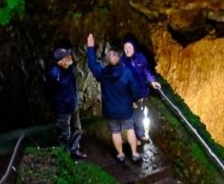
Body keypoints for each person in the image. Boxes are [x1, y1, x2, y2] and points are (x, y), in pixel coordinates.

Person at [86, 33, 140, 164]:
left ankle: (120, 155)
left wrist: (90, 48)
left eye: (109, 54)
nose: (108, 56)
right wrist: (134, 101)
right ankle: (134, 154)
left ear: (112, 57)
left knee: (115, 132)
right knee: (130, 129)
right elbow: (135, 90)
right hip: (126, 108)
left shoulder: (103, 73)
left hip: (110, 110)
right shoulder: (127, 72)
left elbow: (92, 65)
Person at [121, 37, 162, 145]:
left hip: (141, 92)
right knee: (131, 116)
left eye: (129, 47)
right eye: (125, 48)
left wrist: (152, 81)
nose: (127, 50)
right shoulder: (122, 62)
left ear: (134, 47)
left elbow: (146, 71)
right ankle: (135, 137)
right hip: (130, 94)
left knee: (139, 114)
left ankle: (141, 134)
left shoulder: (140, 58)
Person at [46, 47, 86, 160]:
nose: (70, 57)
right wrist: (56, 105)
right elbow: (49, 91)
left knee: (77, 129)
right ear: (60, 61)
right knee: (64, 134)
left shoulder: (69, 68)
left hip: (73, 104)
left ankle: (74, 150)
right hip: (62, 108)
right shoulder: (54, 74)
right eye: (66, 57)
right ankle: (65, 157)